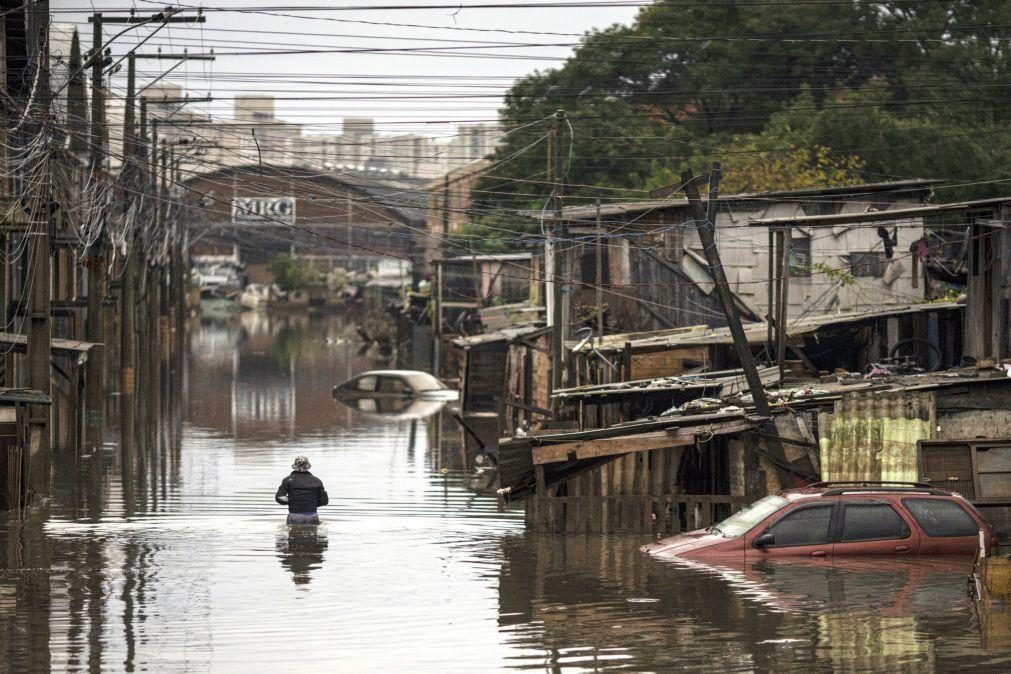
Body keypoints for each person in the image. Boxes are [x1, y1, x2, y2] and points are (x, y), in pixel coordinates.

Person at [275, 456, 329, 525]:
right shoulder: (316, 481)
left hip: (294, 515)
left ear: (294, 466)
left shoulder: (288, 480)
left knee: (294, 534)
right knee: (313, 535)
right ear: (308, 466)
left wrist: (293, 502)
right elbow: (324, 501)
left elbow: (279, 497)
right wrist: (311, 503)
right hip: (312, 515)